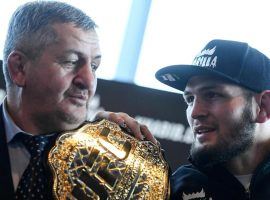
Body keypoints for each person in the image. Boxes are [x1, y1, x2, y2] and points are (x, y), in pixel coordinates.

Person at [1, 1, 156, 199]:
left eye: (94, 66)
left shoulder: (106, 162)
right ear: (19, 68)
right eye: (71, 61)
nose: (89, 82)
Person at [155, 39, 270, 200]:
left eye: (212, 95)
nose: (195, 112)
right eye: (189, 99)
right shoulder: (173, 189)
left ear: (263, 106)